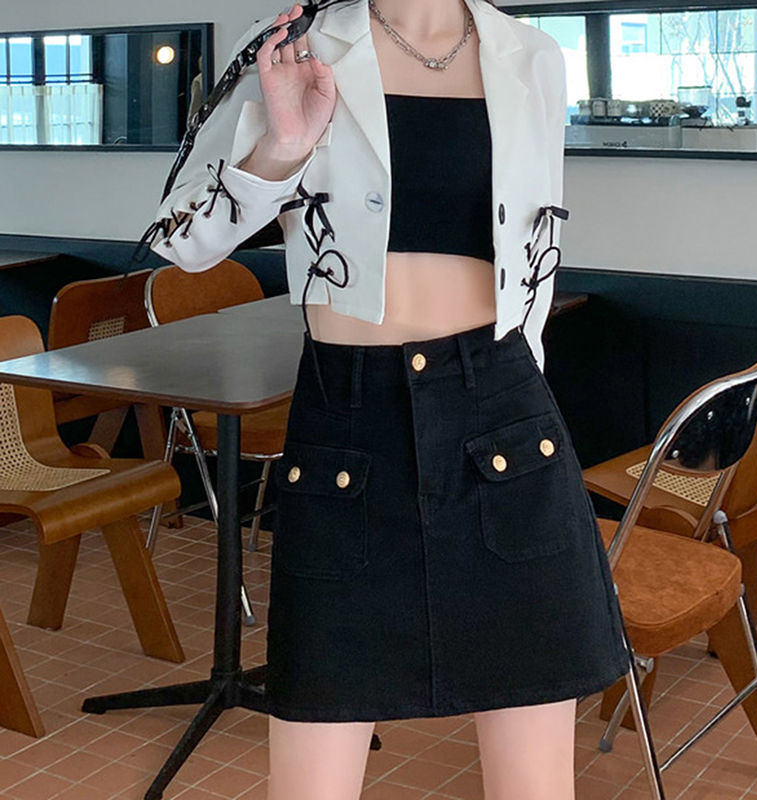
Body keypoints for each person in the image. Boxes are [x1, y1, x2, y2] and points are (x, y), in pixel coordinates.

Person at [150, 1, 629, 797]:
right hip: (345, 425)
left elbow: (535, 258)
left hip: (504, 417)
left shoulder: (532, 56)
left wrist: (516, 391)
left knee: (535, 782)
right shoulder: (295, 47)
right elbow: (183, 240)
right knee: (311, 770)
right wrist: (282, 147)